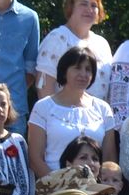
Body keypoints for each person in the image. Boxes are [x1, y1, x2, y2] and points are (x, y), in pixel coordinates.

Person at [26, 48, 116, 179]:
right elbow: (35, 159)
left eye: (88, 69)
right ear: (64, 71)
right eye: (77, 68)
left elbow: (109, 158)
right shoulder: (43, 107)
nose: (83, 74)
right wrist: (60, 186)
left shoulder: (103, 109)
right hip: (54, 191)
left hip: (94, 191)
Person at [35, 0, 112, 101]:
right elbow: (44, 86)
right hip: (63, 116)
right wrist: (51, 116)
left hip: (97, 117)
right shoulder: (57, 38)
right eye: (83, 4)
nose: (89, 9)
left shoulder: (102, 44)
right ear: (71, 7)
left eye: (94, 5)